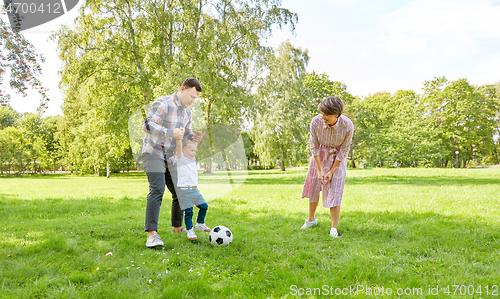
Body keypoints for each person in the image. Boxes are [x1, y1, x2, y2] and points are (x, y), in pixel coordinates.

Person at [142, 78, 203, 248]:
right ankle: (152, 235)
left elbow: (185, 134)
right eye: (191, 96)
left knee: (180, 190)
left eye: (195, 98)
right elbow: (147, 125)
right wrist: (171, 132)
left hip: (172, 157)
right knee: (157, 189)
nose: (192, 101)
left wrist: (192, 137)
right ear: (182, 89)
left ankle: (177, 228)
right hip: (153, 152)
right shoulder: (163, 103)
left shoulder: (187, 112)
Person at [301, 96, 354, 238]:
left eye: (327, 114)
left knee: (335, 191)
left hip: (337, 159)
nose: (323, 117)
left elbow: (344, 150)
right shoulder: (315, 122)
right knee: (313, 187)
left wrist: (331, 171)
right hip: (319, 156)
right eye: (321, 113)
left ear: (336, 114)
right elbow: (314, 146)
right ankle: (311, 220)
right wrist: (320, 170)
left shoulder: (347, 126)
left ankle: (333, 228)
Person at [174, 135, 210, 241]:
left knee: (204, 206)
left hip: (195, 190)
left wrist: (196, 141)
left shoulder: (192, 159)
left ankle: (199, 223)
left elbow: (193, 146)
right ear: (183, 151)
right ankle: (190, 231)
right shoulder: (181, 159)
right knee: (189, 212)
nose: (194, 152)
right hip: (185, 190)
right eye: (191, 151)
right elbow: (179, 146)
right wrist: (178, 139)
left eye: (194, 151)